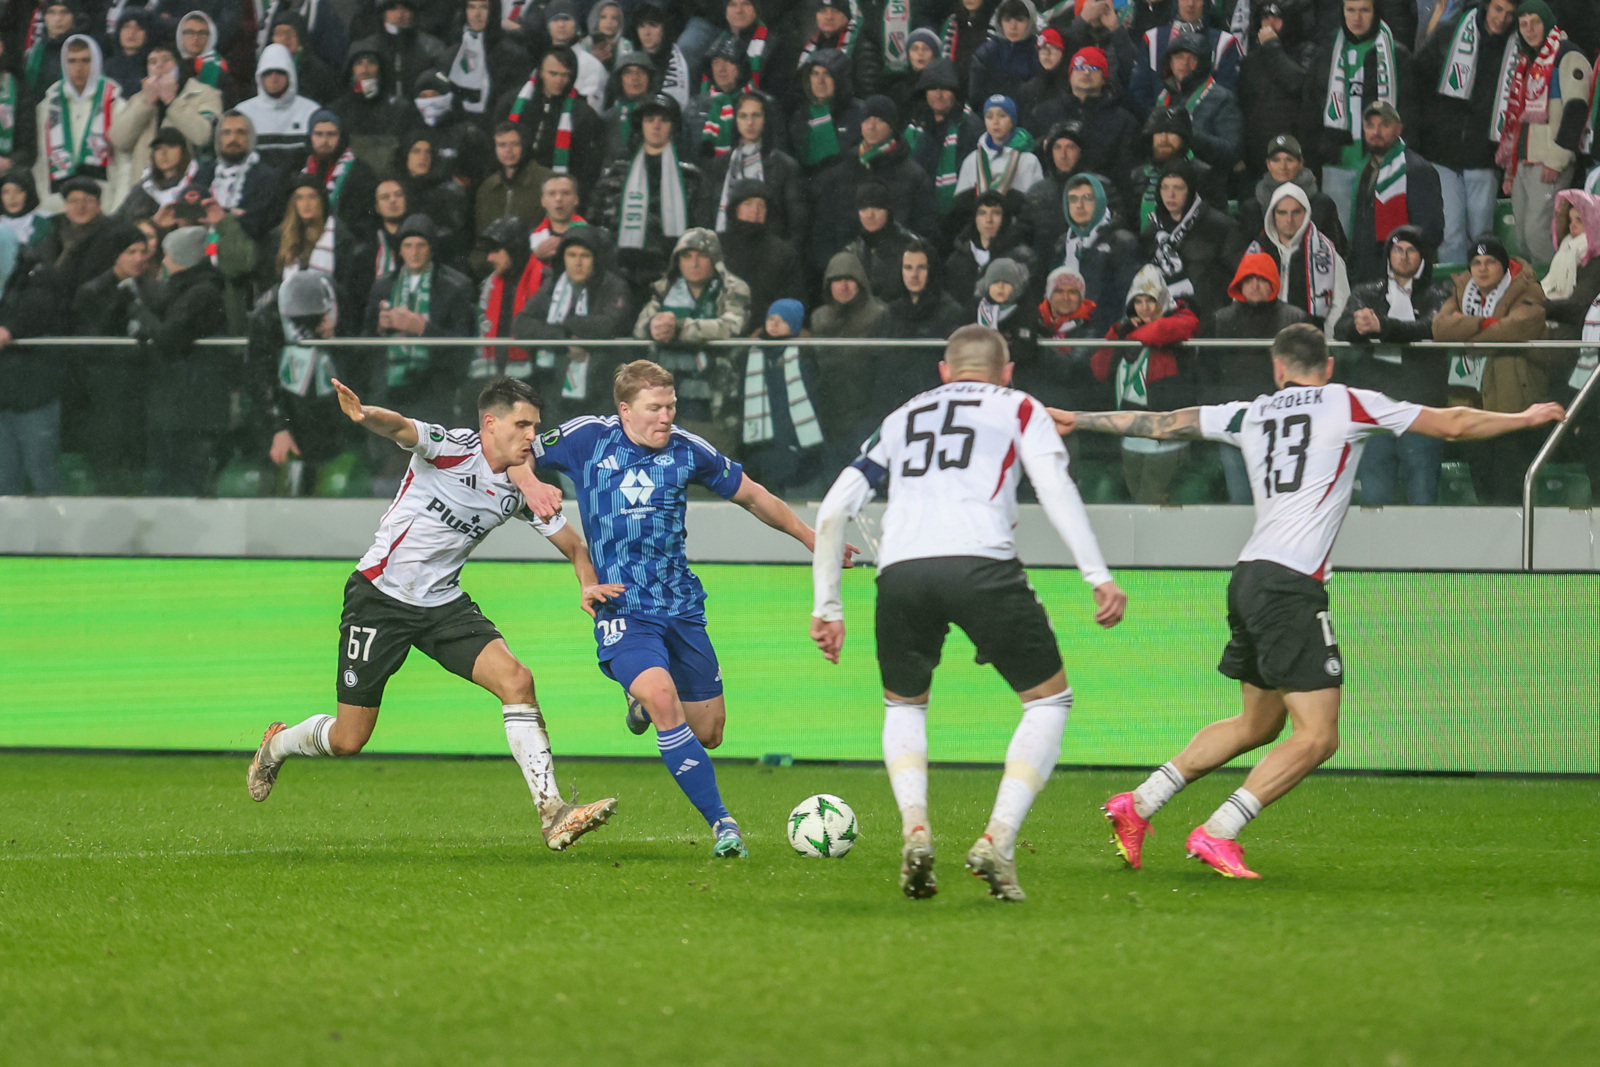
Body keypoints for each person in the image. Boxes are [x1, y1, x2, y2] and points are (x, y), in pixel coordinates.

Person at [1077, 322, 1564, 877]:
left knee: (1258, 725)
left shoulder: (1250, 412)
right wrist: (1523, 418)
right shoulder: (1348, 402)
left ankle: (1137, 804)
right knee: (1319, 735)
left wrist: (1075, 419)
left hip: (1250, 574)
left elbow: (1162, 424)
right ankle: (1218, 831)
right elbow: (1450, 425)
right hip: (1289, 585)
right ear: (1328, 366)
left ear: (1278, 367)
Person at [809, 324, 1125, 900]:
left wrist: (827, 605)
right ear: (1006, 372)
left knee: (904, 705)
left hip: (901, 572)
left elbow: (833, 510)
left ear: (944, 372)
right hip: (981, 563)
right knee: (1049, 700)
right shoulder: (1020, 407)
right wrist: (1096, 574)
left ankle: (916, 828)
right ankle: (998, 839)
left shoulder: (901, 417)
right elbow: (1054, 486)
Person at [245, 375, 623, 853]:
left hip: (442, 604)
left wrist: (588, 583)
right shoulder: (452, 448)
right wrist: (365, 415)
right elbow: (402, 428)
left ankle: (554, 814)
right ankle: (277, 746)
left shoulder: (521, 489)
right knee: (348, 740)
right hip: (379, 596)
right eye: (523, 425)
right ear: (490, 423)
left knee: (517, 680)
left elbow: (574, 547)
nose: (532, 436)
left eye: (535, 426)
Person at [510, 358, 846, 859]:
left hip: (681, 606)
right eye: (654, 408)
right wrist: (530, 482)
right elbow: (513, 451)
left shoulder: (688, 450)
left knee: (709, 732)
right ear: (625, 410)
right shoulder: (587, 439)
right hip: (622, 605)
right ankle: (724, 825)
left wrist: (811, 538)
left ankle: (640, 701)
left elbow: (752, 496)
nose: (666, 417)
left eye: (671, 406)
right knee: (665, 700)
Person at [1332, 225, 1452, 505]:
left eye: (1411, 250)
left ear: (1423, 257)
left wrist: (1382, 326)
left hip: (1421, 405)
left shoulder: (1440, 295)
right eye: (1398, 250)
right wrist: (1359, 326)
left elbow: (1431, 328)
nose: (1404, 256)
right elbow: (1341, 329)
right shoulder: (1365, 293)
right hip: (1375, 406)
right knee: (1376, 497)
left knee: (1423, 493)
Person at [1432, 235, 1553, 504]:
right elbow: (1440, 329)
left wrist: (1466, 331)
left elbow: (1519, 327)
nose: (1482, 268)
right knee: (1482, 479)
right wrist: (1488, 325)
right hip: (1472, 400)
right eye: (1476, 262)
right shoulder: (1462, 289)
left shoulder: (1528, 289)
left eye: (1490, 262)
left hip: (1513, 401)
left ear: (1504, 265)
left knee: (1510, 483)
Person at [126, 225, 228, 494]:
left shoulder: (200, 293)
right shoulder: (185, 289)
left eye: (169, 254)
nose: (164, 260)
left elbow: (168, 338)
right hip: (177, 402)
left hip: (191, 406)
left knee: (184, 475)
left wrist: (137, 310)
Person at [1491, 0, 1592, 268]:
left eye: (1535, 22)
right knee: (1522, 237)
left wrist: (1557, 159)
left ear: (1547, 22)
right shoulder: (1526, 62)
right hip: (1524, 162)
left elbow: (1576, 109)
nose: (1529, 29)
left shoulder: (1567, 55)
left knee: (1540, 235)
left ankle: (1556, 295)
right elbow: (1516, 119)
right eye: (1523, 24)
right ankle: (1536, 294)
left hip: (1549, 161)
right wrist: (1511, 170)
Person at [1414, 0, 1516, 266]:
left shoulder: (1517, 48)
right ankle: (1455, 293)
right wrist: (1429, 127)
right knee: (1451, 233)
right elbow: (1419, 76)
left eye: (1509, 13)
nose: (1502, 19)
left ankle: (1485, 296)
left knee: (1482, 233)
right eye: (1498, 9)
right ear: (1486, 7)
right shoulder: (1450, 31)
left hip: (1484, 155)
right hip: (1441, 152)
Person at [1091, 263, 1201, 503]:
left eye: (1151, 301)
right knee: (1137, 505)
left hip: (1167, 439)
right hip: (1131, 439)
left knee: (1152, 506)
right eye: (1138, 302)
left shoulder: (1181, 315)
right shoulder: (1124, 328)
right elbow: (1099, 367)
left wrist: (1131, 336)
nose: (1145, 308)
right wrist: (1121, 332)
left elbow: (1163, 331)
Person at [1304, 0, 1415, 235]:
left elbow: (1409, 112)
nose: (1357, 18)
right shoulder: (1326, 51)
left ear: (1376, 12)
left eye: (1364, 10)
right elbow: (1311, 106)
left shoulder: (1397, 54)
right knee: (1339, 237)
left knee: (1380, 237)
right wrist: (1314, 156)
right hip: (1337, 162)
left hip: (1383, 164)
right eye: (1350, 10)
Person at [631, 227, 750, 440]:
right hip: (666, 393)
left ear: (715, 260)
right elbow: (639, 328)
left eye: (702, 256)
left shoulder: (733, 288)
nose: (694, 263)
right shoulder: (665, 288)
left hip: (717, 395)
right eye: (687, 256)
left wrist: (680, 327)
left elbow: (731, 327)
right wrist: (654, 326)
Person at [1210, 252, 1310, 502]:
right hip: (1237, 420)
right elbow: (1210, 369)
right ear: (1239, 283)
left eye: (1261, 279)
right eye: (1249, 278)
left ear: (1274, 282)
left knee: (1281, 500)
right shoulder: (1222, 320)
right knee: (1240, 499)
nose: (1254, 285)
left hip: (1283, 421)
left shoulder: (1294, 318)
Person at [364, 213, 478, 426]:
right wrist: (381, 327)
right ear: (400, 250)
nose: (414, 253)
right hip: (389, 386)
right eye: (408, 246)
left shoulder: (456, 287)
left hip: (434, 388)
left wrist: (422, 328)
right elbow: (365, 338)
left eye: (421, 245)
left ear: (432, 248)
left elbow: (463, 345)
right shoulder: (383, 286)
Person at [512, 226, 633, 418]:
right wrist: (564, 338)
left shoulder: (613, 285)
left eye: (585, 255)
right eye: (572, 255)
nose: (578, 262)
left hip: (601, 390)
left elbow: (607, 324)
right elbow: (521, 324)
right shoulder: (553, 285)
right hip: (554, 391)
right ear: (563, 258)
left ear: (596, 258)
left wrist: (566, 323)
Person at [249, 269, 352, 494]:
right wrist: (279, 428)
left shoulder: (339, 299)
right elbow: (260, 374)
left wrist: (335, 337)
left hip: (326, 406)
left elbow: (357, 354)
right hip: (284, 403)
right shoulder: (267, 314)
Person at [810, 96, 938, 274]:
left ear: (892, 126)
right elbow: (824, 229)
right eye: (867, 120)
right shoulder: (841, 172)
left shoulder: (913, 175)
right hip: (847, 273)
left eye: (879, 120)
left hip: (897, 274)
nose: (871, 126)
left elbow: (925, 230)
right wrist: (835, 269)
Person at [71, 223, 154, 494]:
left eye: (143, 251)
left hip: (141, 393)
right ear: (116, 254)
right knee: (108, 472)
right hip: (104, 396)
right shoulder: (92, 292)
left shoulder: (152, 289)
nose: (139, 258)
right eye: (131, 251)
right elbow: (89, 345)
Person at [594, 93, 700, 299]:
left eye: (663, 120)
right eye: (650, 120)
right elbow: (598, 225)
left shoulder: (692, 178)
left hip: (674, 278)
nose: (656, 126)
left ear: (674, 126)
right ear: (640, 125)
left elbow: (699, 233)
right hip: (619, 277)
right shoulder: (615, 174)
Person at [690, 89, 807, 245]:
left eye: (756, 115)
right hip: (722, 252)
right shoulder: (715, 167)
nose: (750, 123)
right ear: (736, 120)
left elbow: (797, 225)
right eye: (743, 116)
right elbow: (703, 218)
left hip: (769, 255)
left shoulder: (786, 167)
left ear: (766, 119)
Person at [1139, 158, 1246, 323]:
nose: (1170, 195)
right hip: (1164, 318)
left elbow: (1240, 275)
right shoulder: (1152, 230)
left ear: (1190, 190)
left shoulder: (1219, 226)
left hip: (1208, 320)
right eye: (1165, 187)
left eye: (1178, 188)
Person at [1348, 101, 1443, 285]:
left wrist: (1405, 265)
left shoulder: (1417, 169)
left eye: (1384, 125)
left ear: (1399, 129)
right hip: (1365, 276)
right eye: (1370, 125)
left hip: (1404, 278)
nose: (1376, 132)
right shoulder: (1363, 169)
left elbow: (1431, 231)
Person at [738, 297, 825, 493]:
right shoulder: (752, 352)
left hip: (792, 438)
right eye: (771, 318)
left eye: (782, 320)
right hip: (764, 443)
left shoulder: (803, 354)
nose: (774, 324)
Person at [34, 35, 127, 214]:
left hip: (104, 209)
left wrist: (117, 210)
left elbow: (125, 164)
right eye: (72, 61)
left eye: (86, 60)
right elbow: (40, 164)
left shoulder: (116, 105)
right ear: (63, 63)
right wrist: (43, 206)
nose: (78, 68)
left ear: (97, 62)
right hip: (56, 209)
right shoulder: (47, 107)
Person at [1025, 47, 1138, 193]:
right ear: (1070, 75)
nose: (1086, 72)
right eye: (1079, 67)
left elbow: (1126, 169)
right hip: (1053, 195)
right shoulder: (1044, 112)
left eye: (1094, 67)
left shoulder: (1123, 120)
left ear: (1104, 78)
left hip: (1103, 194)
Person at [500, 47, 604, 202]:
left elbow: (587, 166)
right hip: (513, 187)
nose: (559, 81)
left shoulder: (583, 114)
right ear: (541, 72)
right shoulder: (512, 102)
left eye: (565, 75)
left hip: (558, 196)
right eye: (553, 74)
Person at [0, 226, 60, 494]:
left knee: (40, 472)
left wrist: (10, 329)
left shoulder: (38, 275)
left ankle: (53, 535)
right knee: (4, 476)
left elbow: (37, 311)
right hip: (5, 397)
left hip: (33, 395)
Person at [106, 41, 218, 184]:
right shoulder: (139, 100)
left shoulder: (204, 94)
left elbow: (203, 136)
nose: (159, 66)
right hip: (144, 187)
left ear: (178, 64)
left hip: (188, 185)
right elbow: (119, 140)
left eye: (166, 60)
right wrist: (145, 104)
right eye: (153, 62)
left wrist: (172, 102)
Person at [1236, 1, 1316, 188]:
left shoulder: (1308, 51)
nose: (1270, 23)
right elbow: (1243, 108)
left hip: (1295, 159)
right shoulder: (1250, 62)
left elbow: (1297, 83)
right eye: (1265, 18)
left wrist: (1272, 45)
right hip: (1257, 160)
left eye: (1276, 17)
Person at [1248, 183, 1350, 329]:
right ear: (1272, 215)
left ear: (1307, 213)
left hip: (1310, 342)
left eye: (1296, 212)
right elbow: (1240, 301)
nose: (1289, 220)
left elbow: (1340, 304)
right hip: (1263, 339)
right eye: (1282, 213)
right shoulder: (1255, 252)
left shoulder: (1328, 255)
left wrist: (1324, 340)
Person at [1143, 32, 1243, 178]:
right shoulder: (1163, 98)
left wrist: (1188, 134)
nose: (1185, 63)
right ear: (1170, 63)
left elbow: (1231, 151)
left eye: (1192, 58)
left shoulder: (1223, 98)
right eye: (1179, 57)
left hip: (1204, 183)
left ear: (1203, 63)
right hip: (1165, 181)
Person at [1054, 173, 1141, 335]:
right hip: (1067, 333)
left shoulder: (1120, 242)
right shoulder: (1062, 244)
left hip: (1105, 338)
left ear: (1100, 201)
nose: (1079, 205)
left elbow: (1129, 298)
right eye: (1073, 199)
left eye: (1087, 198)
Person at [879, 238, 965, 400]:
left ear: (931, 271)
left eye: (921, 268)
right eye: (908, 268)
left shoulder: (951, 312)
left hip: (936, 400)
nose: (914, 275)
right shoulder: (891, 312)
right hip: (896, 400)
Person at [1241, 134, 1347, 257]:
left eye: (1289, 159)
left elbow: (1339, 252)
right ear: (1268, 164)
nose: (1283, 166)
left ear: (1301, 163)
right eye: (1276, 160)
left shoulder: (1322, 204)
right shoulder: (1252, 208)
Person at [1129, 0, 1243, 114]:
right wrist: (1160, 125)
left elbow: (1226, 100)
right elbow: (1139, 94)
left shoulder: (1224, 43)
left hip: (1205, 129)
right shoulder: (1153, 39)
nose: (1190, 4)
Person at [714, 178, 804, 321]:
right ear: (735, 208)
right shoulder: (715, 245)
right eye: (748, 204)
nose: (755, 211)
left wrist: (766, 329)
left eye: (761, 205)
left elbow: (791, 298)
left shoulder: (783, 252)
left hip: (764, 334)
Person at [902, 58, 982, 217]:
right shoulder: (915, 126)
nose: (938, 95)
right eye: (932, 88)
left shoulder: (971, 127)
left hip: (957, 217)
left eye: (945, 89)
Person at [445, 0, 534, 130]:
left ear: (493, 12)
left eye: (483, 7)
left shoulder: (514, 56)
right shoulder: (452, 54)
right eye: (471, 7)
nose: (477, 14)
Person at [236, 42, 322, 172]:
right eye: (268, 73)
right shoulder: (243, 113)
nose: (274, 78)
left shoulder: (311, 111)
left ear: (290, 76)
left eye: (280, 72)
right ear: (260, 77)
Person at [944, 189, 1032, 311]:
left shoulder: (1021, 258)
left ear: (1005, 218)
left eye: (995, 213)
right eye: (982, 213)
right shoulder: (956, 261)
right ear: (974, 218)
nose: (988, 220)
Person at [349, 0, 446, 105]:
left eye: (406, 8)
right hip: (376, 112)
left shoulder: (431, 47)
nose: (400, 15)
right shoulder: (364, 48)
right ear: (383, 13)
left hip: (420, 112)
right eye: (393, 8)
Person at [329, 45, 408, 170]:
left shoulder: (399, 108)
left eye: (371, 63)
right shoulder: (337, 110)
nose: (365, 69)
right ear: (351, 70)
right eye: (359, 63)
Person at [302, 108, 378, 239]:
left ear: (341, 136)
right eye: (318, 134)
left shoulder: (360, 171)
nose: (325, 141)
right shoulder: (298, 168)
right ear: (310, 136)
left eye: (331, 134)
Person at [954, 94, 1043, 203]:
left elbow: (1037, 202)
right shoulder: (973, 160)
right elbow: (962, 202)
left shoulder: (1028, 160)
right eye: (989, 116)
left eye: (1002, 115)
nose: (995, 122)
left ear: (1013, 120)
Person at [788, 49, 865, 174]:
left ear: (840, 78)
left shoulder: (860, 112)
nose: (820, 81)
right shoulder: (799, 115)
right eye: (815, 73)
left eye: (827, 74)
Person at [475, 120, 552, 239]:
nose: (508, 150)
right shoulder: (488, 187)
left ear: (524, 146)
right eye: (502, 145)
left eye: (515, 144)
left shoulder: (547, 180)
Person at [798, 0, 882, 101]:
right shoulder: (810, 48)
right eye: (823, 11)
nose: (829, 16)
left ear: (847, 16)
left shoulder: (862, 46)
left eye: (836, 11)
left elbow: (867, 92)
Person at [967, 0, 1041, 106]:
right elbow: (975, 97)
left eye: (1020, 20)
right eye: (1007, 20)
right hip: (989, 116)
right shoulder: (986, 53)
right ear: (999, 22)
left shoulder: (1039, 54)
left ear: (1031, 22)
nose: (1013, 27)